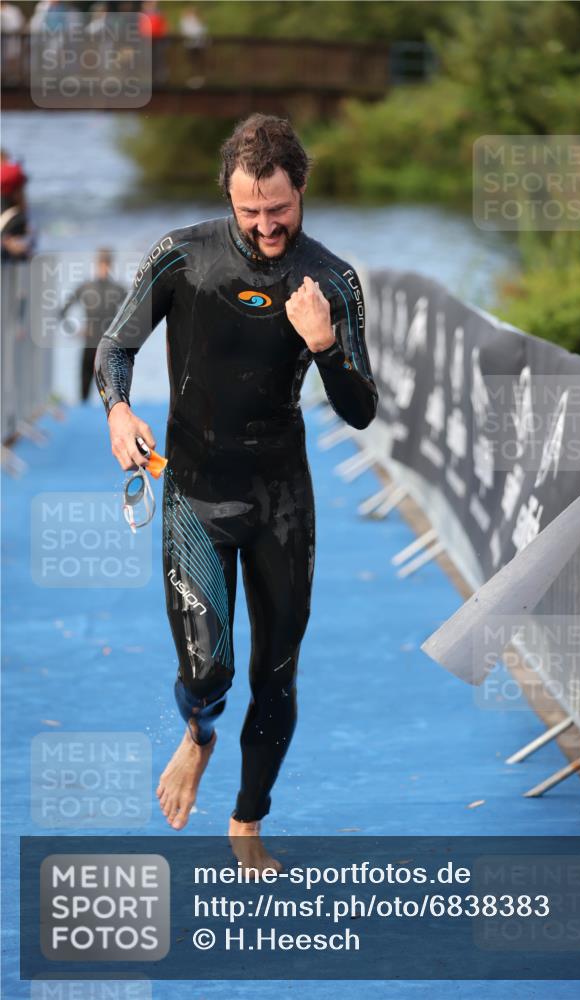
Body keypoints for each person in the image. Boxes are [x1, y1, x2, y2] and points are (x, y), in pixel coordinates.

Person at [94, 113, 377, 872]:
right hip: (194, 488)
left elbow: (360, 409)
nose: (263, 225)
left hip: (281, 495)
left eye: (277, 210)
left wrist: (323, 345)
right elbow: (116, 345)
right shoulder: (182, 258)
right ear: (228, 195)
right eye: (248, 211)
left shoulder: (332, 280)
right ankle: (198, 731)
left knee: (276, 672)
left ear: (301, 189)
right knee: (207, 672)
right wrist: (119, 409)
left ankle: (248, 819)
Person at [60, 248, 127, 402]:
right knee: (84, 390)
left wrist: (122, 333)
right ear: (97, 265)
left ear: (111, 266)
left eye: (106, 264)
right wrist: (75, 330)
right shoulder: (86, 288)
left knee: (113, 391)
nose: (104, 268)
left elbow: (134, 313)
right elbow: (62, 311)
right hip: (90, 343)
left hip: (109, 344)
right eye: (101, 264)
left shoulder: (117, 289)